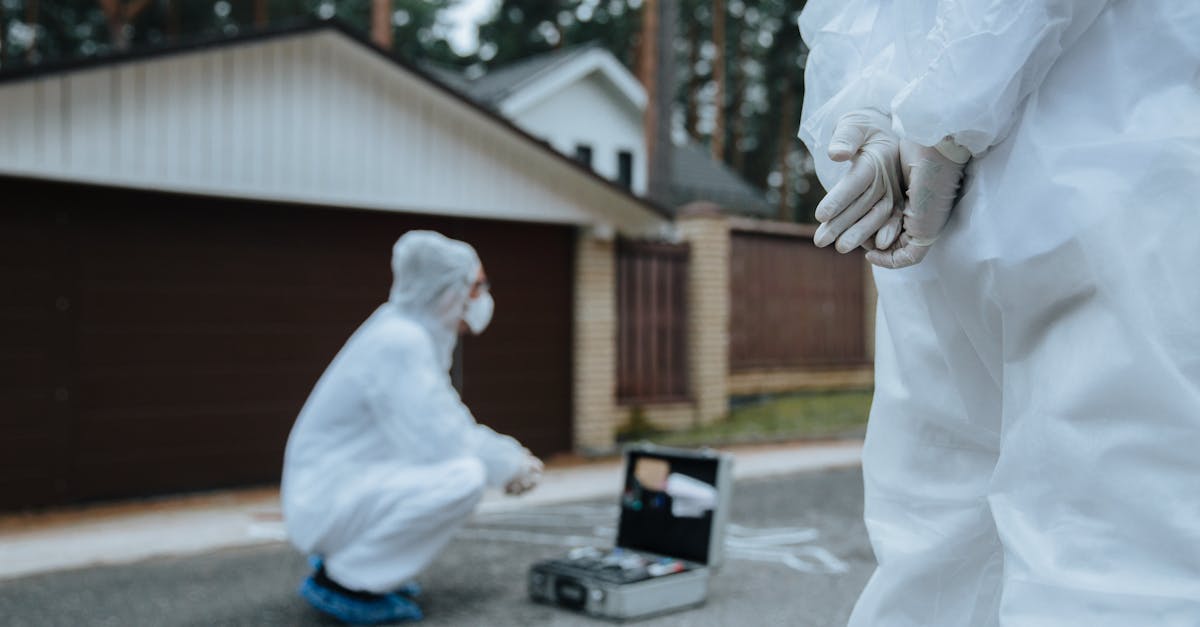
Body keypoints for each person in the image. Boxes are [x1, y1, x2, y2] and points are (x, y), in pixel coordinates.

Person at [797, 1, 1200, 625]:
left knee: (935, 553)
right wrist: (917, 119)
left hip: (948, 210)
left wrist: (886, 109)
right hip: (1107, 178)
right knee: (1117, 560)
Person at [280, 230, 544, 625]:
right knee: (462, 476)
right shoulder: (401, 342)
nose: (483, 296)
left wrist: (504, 458)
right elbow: (443, 440)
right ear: (447, 290)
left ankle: (360, 566)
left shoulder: (407, 332)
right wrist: (508, 463)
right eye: (476, 286)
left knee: (455, 468)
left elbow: (440, 419)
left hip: (335, 488)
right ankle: (348, 582)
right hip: (325, 498)